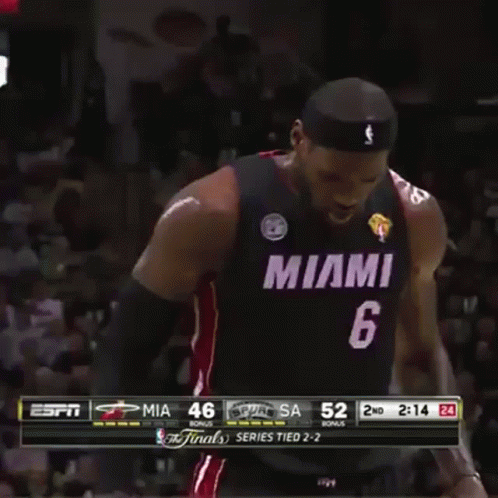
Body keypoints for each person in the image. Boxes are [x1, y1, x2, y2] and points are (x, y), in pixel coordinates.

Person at [94, 78, 488, 497]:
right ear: (299, 140)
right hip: (248, 468)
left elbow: (422, 352)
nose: (348, 196)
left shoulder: (414, 216)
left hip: (371, 470)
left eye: (367, 180)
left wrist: (462, 473)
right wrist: (114, 483)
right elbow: (125, 352)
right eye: (332, 177)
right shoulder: (213, 212)